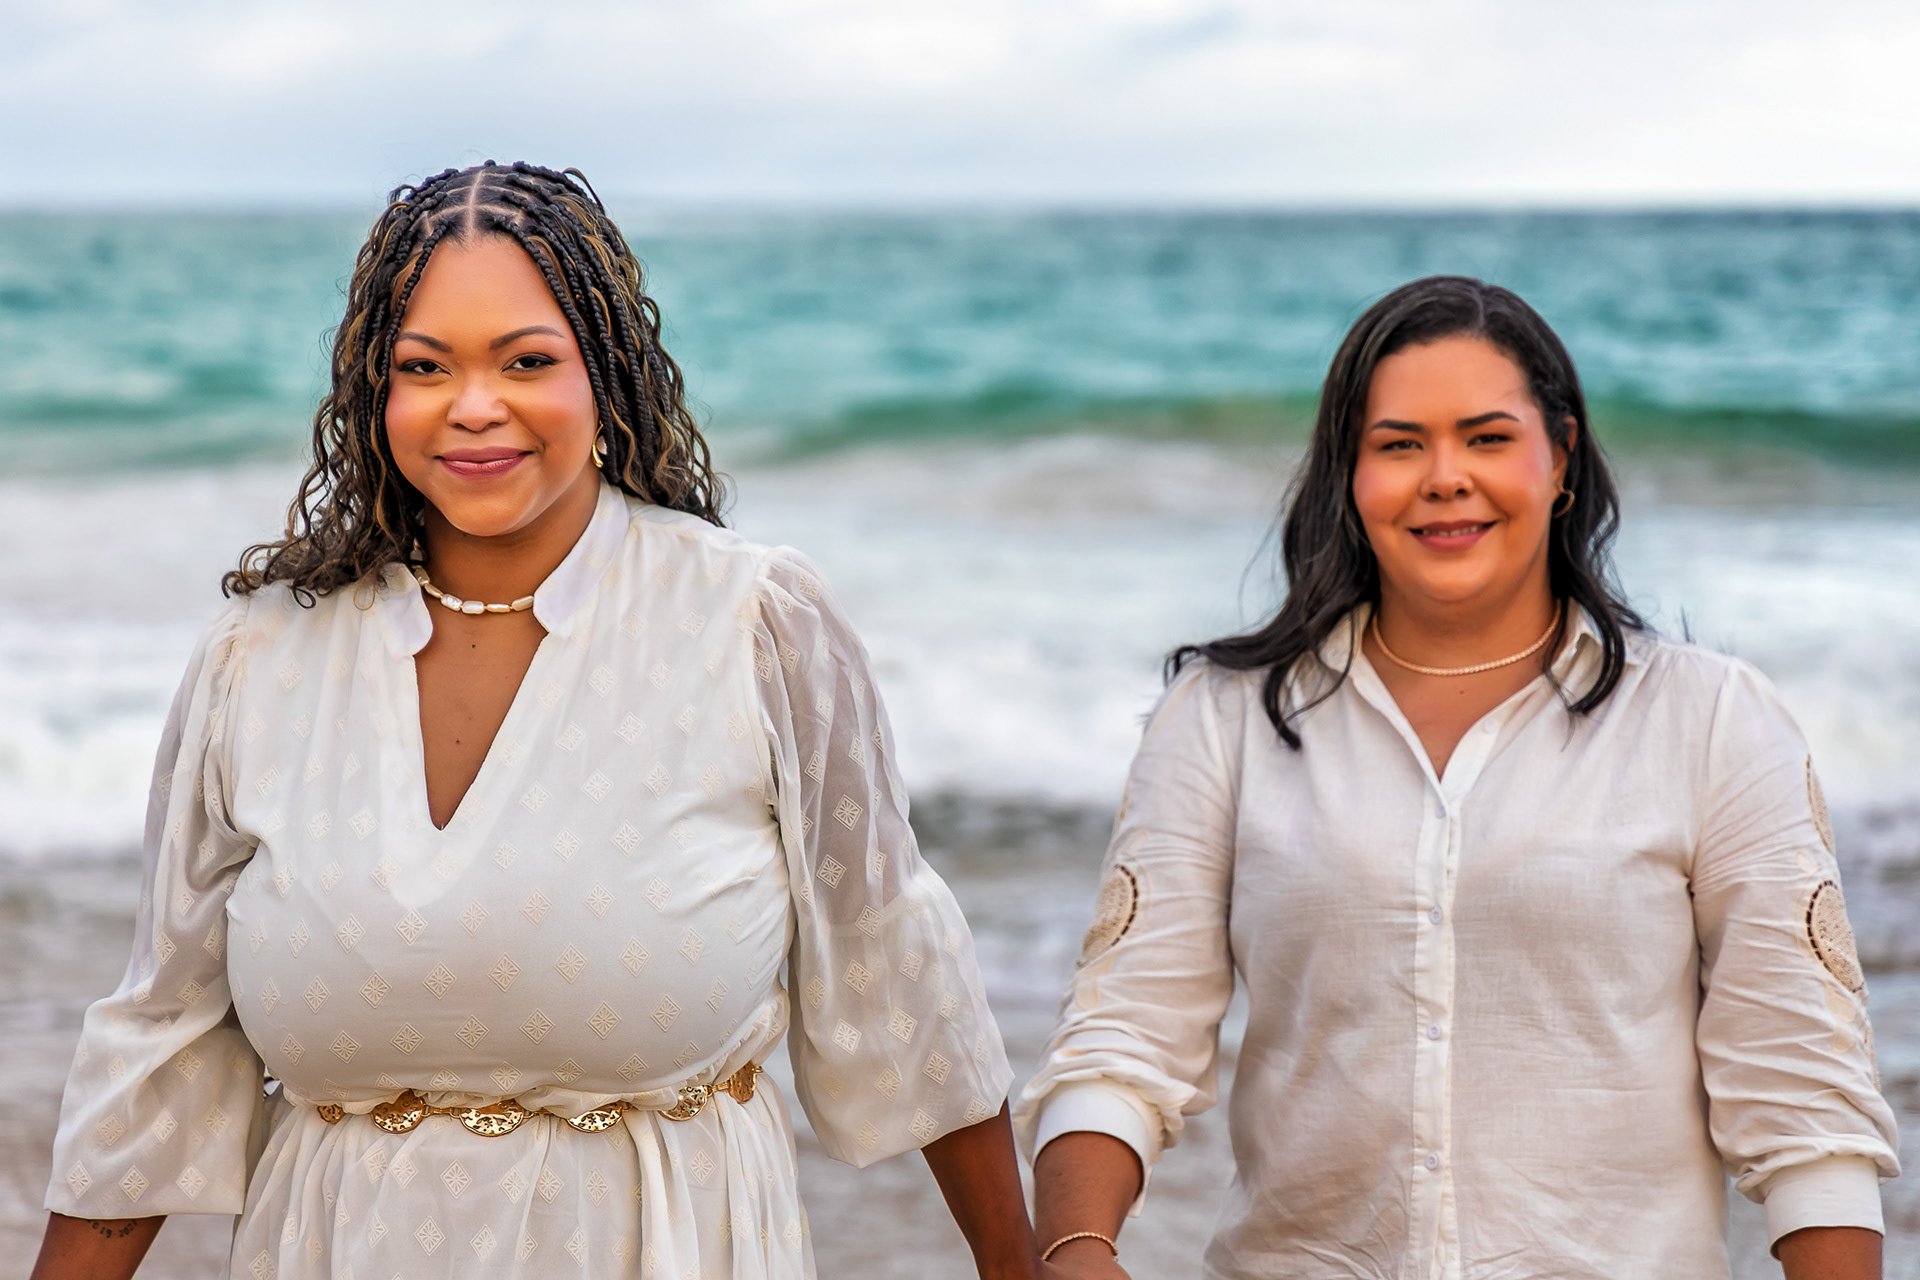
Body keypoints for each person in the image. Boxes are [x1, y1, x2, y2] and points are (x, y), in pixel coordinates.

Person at [32, 162, 1048, 1280]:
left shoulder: (752, 622)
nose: (474, 405)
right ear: (374, 394)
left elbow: (895, 966)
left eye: (526, 361)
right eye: (425, 367)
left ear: (603, 379)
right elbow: (166, 1033)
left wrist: (1019, 1263)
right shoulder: (260, 657)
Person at [1015, 275, 1899, 1279]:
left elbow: (1804, 1095)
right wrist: (1076, 1248)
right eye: (1399, 445)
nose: (1445, 478)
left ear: (1560, 458)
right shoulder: (1223, 719)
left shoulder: (1711, 720)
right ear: (1348, 473)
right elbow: (1124, 1036)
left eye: (1487, 438)